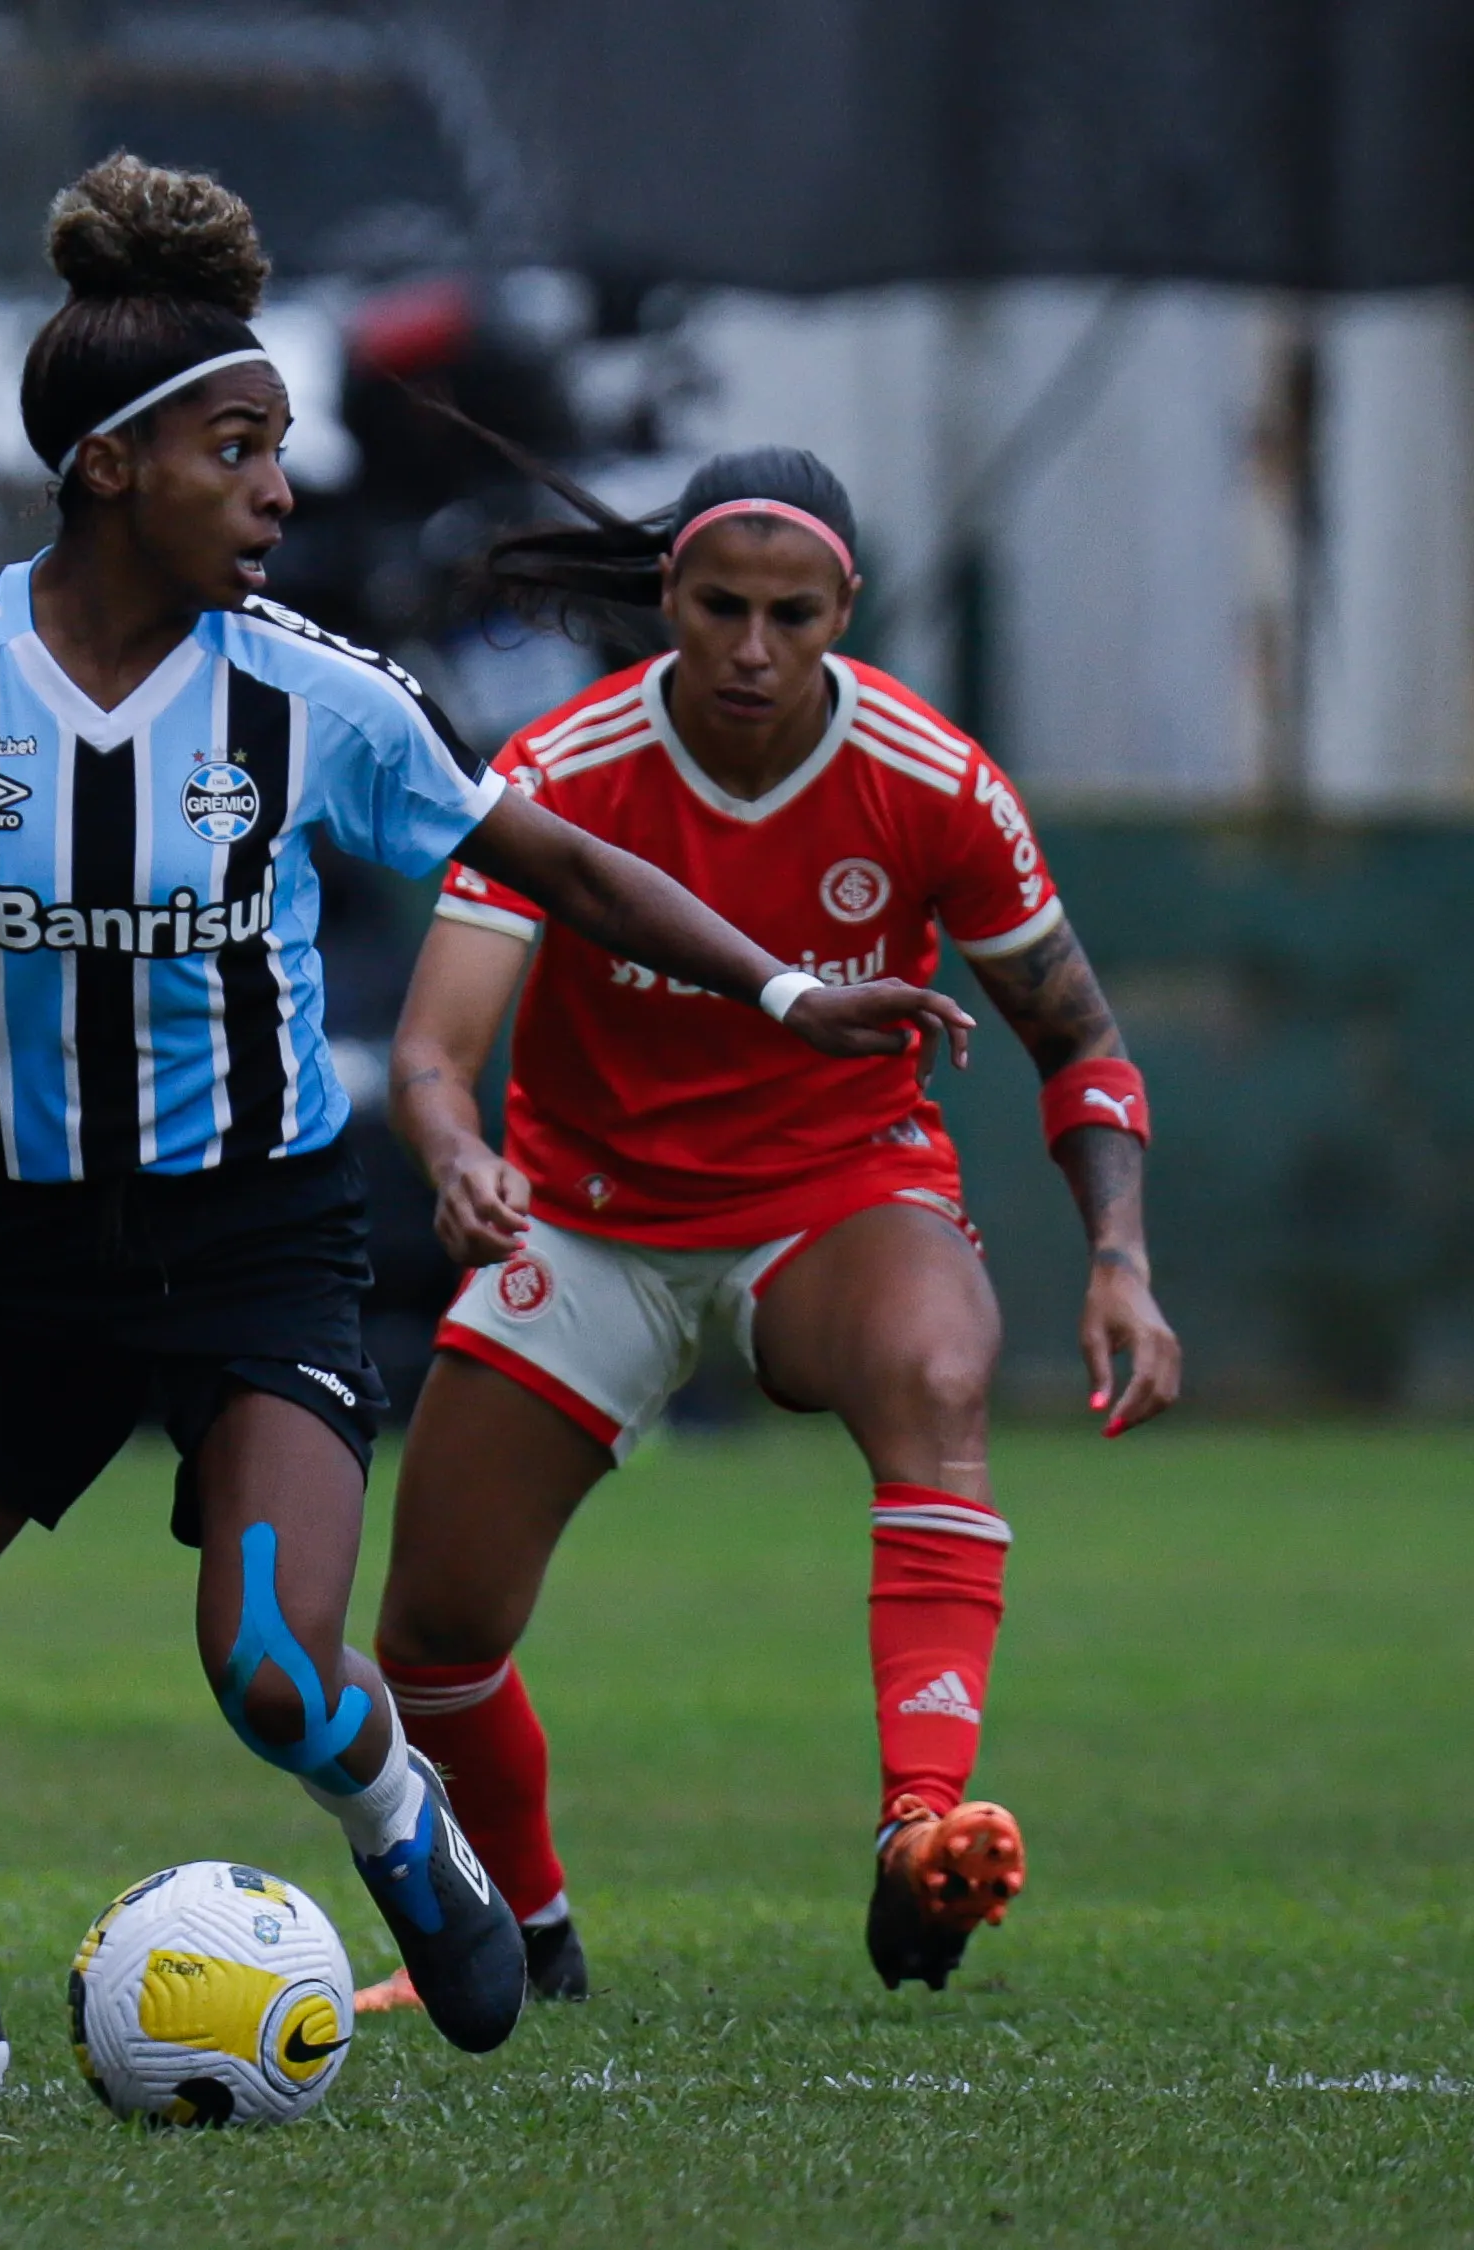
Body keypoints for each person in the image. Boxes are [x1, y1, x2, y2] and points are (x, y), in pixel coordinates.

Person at [0, 156, 978, 2098]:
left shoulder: (324, 699)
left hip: (254, 1245)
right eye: (241, 450)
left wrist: (794, 989)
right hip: (17, 1254)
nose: (282, 491)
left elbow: (570, 867)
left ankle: (399, 1817)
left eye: (284, 449)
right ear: (112, 468)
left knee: (275, 1668)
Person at [358, 446, 1181, 2011]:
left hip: (836, 1197)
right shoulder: (561, 765)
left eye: (790, 614)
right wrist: (460, 1155)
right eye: (720, 606)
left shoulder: (935, 781)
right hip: (592, 1222)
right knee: (433, 1634)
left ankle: (919, 1827)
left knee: (940, 1369)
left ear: (843, 613)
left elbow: (1080, 1042)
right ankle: (527, 1933)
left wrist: (1123, 1264)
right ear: (666, 594)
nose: (751, 647)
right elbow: (430, 1052)